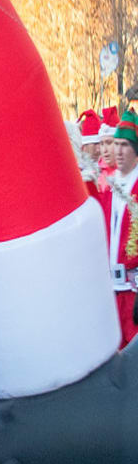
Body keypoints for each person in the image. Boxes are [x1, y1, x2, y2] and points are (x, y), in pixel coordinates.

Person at [94, 109, 138, 347]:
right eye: (116, 144)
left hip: (133, 292)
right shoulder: (113, 187)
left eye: (125, 145)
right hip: (114, 290)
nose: (118, 152)